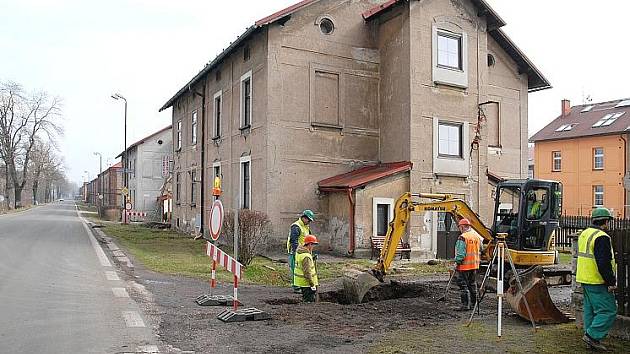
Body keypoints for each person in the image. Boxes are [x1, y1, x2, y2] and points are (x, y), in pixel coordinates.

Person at [576, 207, 617, 351]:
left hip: (584, 278)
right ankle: (592, 336)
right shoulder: (602, 237)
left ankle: (590, 340)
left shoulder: (585, 233)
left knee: (590, 310)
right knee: (609, 310)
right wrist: (611, 282)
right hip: (596, 280)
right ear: (606, 221)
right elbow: (603, 263)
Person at [454, 218, 481, 311]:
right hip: (474, 265)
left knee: (463, 285)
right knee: (472, 285)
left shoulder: (463, 237)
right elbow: (480, 249)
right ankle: (474, 304)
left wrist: (457, 262)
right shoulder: (476, 236)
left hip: (464, 266)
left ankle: (465, 305)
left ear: (462, 227)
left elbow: (461, 253)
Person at [287, 209, 314, 292]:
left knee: (302, 269)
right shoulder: (296, 226)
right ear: (304, 218)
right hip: (296, 251)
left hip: (303, 252)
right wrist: (296, 252)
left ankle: (301, 285)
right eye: (308, 220)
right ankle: (296, 286)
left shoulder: (306, 227)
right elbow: (293, 241)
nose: (309, 222)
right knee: (296, 269)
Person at [294, 234, 319, 302]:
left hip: (302, 283)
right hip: (307, 283)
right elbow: (307, 272)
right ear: (310, 244)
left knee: (306, 298)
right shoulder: (306, 256)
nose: (313, 247)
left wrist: (312, 258)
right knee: (309, 300)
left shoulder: (299, 252)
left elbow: (302, 263)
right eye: (313, 245)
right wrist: (312, 284)